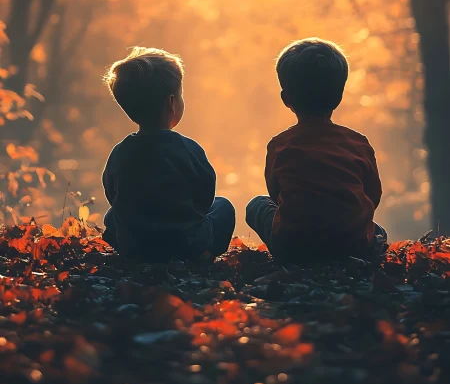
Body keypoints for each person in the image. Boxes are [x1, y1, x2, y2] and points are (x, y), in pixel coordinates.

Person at [246, 38, 387, 263]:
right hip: (351, 249)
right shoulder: (358, 143)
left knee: (257, 205)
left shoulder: (280, 145)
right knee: (379, 231)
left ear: (286, 99)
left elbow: (276, 194)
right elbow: (373, 196)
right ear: (339, 97)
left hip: (294, 250)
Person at [102, 47, 235, 262]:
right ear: (172, 103)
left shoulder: (121, 151)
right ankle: (204, 254)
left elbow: (111, 192)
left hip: (137, 245)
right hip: (185, 243)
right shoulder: (189, 149)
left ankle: (139, 253)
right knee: (223, 207)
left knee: (112, 217)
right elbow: (205, 194)